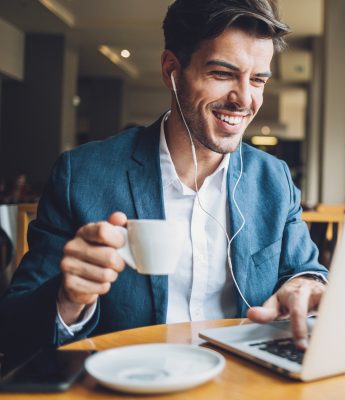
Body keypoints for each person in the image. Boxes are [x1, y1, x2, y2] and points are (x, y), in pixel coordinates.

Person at [0, 0, 327, 361]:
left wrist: (305, 286)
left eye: (258, 80)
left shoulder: (274, 179)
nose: (245, 99)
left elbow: (306, 271)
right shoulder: (81, 174)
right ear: (172, 69)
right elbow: (14, 328)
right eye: (222, 74)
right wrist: (68, 298)